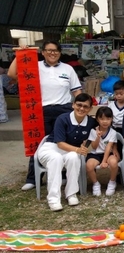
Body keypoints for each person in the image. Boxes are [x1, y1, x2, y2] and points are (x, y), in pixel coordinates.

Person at [8, 41, 82, 191]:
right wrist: (19, 54)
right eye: (48, 50)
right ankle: (33, 178)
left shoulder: (67, 69)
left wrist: (80, 108)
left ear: (60, 53)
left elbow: (77, 92)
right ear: (43, 52)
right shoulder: (35, 67)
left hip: (64, 111)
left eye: (55, 50)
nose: (52, 53)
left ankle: (62, 176)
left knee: (62, 143)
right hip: (40, 110)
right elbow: (11, 74)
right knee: (37, 143)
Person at [37, 93, 96, 211]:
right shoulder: (63, 118)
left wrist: (86, 145)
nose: (82, 109)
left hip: (69, 151)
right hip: (51, 148)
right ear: (73, 105)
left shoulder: (90, 122)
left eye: (85, 106)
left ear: (90, 109)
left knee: (74, 157)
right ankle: (53, 199)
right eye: (79, 105)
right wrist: (78, 149)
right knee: (57, 158)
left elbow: (97, 133)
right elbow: (59, 143)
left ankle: (71, 194)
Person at [85, 107, 119, 197]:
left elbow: (108, 147)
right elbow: (94, 146)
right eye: (102, 119)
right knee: (89, 166)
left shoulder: (113, 132)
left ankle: (112, 182)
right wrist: (98, 137)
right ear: (97, 119)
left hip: (108, 153)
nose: (105, 121)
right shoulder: (93, 131)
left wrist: (104, 161)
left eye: (108, 119)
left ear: (112, 119)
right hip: (95, 153)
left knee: (114, 162)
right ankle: (96, 184)